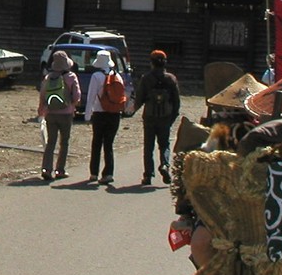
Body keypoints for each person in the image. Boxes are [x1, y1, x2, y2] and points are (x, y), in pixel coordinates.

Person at [133, 50, 180, 186]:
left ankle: (148, 175)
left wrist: (131, 110)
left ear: (151, 63)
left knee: (148, 146)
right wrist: (172, 116)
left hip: (149, 116)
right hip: (165, 117)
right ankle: (165, 165)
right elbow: (176, 101)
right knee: (164, 144)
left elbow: (140, 99)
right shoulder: (171, 79)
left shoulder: (146, 78)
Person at [38, 50, 81, 181]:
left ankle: (46, 168)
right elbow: (77, 97)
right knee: (64, 142)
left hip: (50, 113)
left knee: (50, 142)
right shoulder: (71, 77)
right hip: (66, 114)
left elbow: (43, 95)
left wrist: (41, 109)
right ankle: (60, 170)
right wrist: (72, 105)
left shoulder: (48, 77)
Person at [83, 51, 124, 185]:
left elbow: (91, 96)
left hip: (100, 113)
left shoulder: (96, 76)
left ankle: (94, 173)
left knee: (96, 143)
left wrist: (87, 115)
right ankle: (108, 173)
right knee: (109, 144)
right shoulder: (117, 76)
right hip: (114, 114)